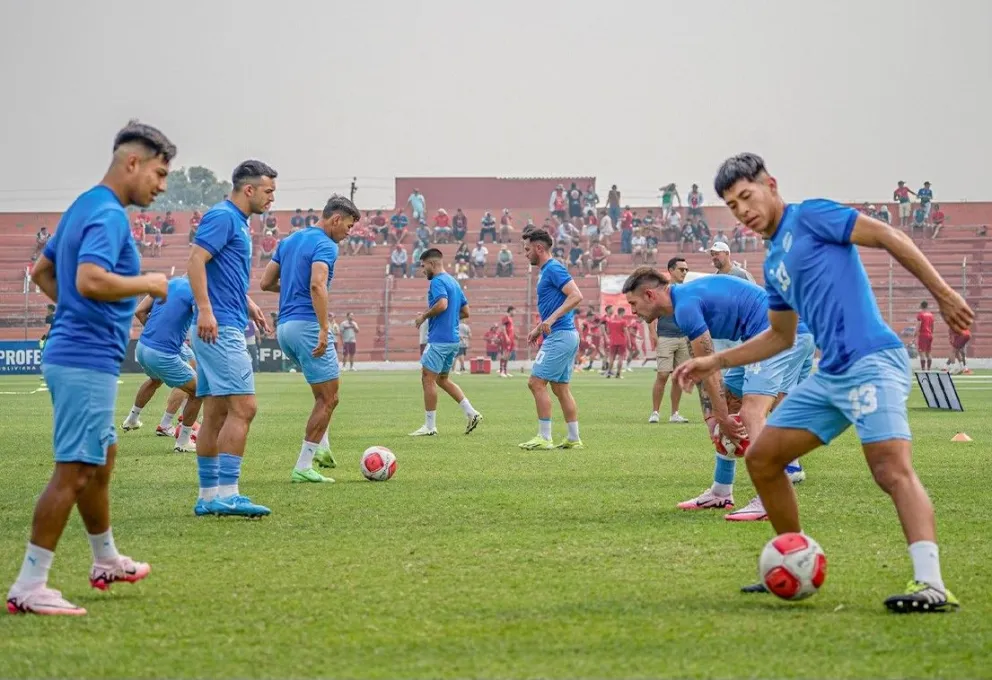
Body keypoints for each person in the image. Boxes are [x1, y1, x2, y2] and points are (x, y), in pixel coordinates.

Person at [675, 152, 973, 611]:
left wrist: (945, 293)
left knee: (889, 469)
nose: (743, 211)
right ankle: (793, 558)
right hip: (831, 374)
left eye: (747, 197)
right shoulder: (774, 262)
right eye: (733, 206)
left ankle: (931, 584)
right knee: (764, 458)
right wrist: (713, 360)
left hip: (873, 361)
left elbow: (889, 236)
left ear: (771, 186)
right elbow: (780, 336)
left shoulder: (811, 216)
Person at [7, 120, 174, 616]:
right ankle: (29, 585)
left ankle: (106, 559)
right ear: (133, 163)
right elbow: (91, 279)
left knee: (101, 457)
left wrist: (78, 313)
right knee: (75, 470)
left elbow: (42, 271)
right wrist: (150, 283)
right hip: (83, 359)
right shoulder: (109, 215)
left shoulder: (84, 204)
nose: (162, 186)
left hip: (80, 353)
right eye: (159, 174)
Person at [624, 269, 814, 520]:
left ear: (649, 295)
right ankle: (721, 492)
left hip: (781, 334)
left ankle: (772, 498)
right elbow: (704, 368)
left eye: (633, 303)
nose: (633, 311)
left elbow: (710, 370)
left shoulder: (685, 306)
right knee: (731, 402)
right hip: (769, 335)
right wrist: (714, 417)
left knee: (751, 412)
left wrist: (722, 418)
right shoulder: (683, 304)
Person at [187, 160, 275, 518]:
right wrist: (206, 310)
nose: (272, 198)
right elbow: (195, 261)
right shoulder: (224, 217)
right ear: (248, 189)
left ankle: (209, 497)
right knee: (244, 407)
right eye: (268, 191)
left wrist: (248, 303)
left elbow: (222, 273)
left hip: (224, 320)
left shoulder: (237, 221)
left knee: (216, 412)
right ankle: (228, 493)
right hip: (219, 327)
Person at [260, 195, 359, 482]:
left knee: (321, 394)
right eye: (348, 226)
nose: (348, 233)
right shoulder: (326, 245)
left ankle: (323, 450)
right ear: (336, 219)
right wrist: (325, 328)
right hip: (307, 326)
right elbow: (317, 284)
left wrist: (293, 289)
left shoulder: (289, 240)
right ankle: (303, 466)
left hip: (285, 328)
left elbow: (266, 283)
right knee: (330, 398)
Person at [518, 227, 584, 450]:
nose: (525, 254)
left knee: (535, 383)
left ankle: (544, 437)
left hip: (560, 335)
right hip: (565, 334)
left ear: (539, 248)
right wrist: (539, 328)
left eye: (527, 249)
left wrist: (552, 320)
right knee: (560, 388)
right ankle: (574, 438)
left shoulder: (554, 268)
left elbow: (576, 295)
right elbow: (555, 304)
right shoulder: (547, 271)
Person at [121, 275, 201, 452]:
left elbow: (139, 311)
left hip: (143, 346)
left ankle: (132, 419)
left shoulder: (166, 283)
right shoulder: (197, 290)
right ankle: (183, 441)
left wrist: (155, 332)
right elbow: (201, 322)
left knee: (155, 380)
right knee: (198, 391)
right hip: (163, 352)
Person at [409, 248, 483, 436]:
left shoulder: (437, 281)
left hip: (439, 340)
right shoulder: (454, 282)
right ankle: (471, 412)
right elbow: (466, 312)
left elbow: (442, 304)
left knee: (427, 378)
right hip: (453, 340)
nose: (423, 270)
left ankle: (430, 426)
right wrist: (449, 319)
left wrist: (424, 316)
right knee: (442, 379)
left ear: (432, 264)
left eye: (423, 266)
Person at [650, 257, 691, 424]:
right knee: (662, 375)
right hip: (665, 336)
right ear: (671, 270)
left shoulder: (687, 290)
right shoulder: (661, 290)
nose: (684, 272)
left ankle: (675, 414)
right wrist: (653, 334)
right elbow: (651, 312)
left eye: (686, 270)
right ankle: (655, 412)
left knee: (678, 377)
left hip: (683, 337)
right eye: (681, 269)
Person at [605, 307, 630, 379]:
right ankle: (618, 374)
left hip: (613, 341)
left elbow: (608, 331)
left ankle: (609, 373)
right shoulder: (623, 321)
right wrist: (629, 342)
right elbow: (626, 332)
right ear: (623, 312)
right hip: (621, 341)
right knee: (621, 357)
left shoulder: (610, 321)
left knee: (611, 358)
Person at [915, 301, 935, 371]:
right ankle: (929, 369)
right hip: (929, 335)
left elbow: (919, 324)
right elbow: (932, 325)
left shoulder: (920, 315)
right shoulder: (931, 315)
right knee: (928, 352)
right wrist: (931, 333)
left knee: (922, 352)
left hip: (923, 335)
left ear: (921, 306)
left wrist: (915, 333)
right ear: (927, 306)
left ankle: (923, 369)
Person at [498, 306, 515, 378]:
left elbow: (510, 329)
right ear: (510, 311)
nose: (515, 313)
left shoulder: (510, 319)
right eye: (514, 311)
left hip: (511, 339)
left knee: (508, 355)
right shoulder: (506, 317)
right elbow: (503, 328)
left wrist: (515, 336)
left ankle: (505, 371)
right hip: (506, 339)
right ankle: (501, 371)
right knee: (505, 354)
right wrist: (506, 337)